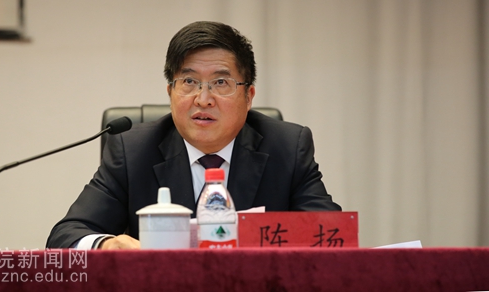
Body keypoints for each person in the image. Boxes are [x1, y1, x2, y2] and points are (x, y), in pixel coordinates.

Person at [46, 21, 341, 250]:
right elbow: (66, 236)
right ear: (170, 93)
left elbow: (331, 236)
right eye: (189, 81)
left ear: (249, 96)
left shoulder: (287, 148)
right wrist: (106, 245)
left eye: (221, 82)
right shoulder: (132, 151)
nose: (203, 99)